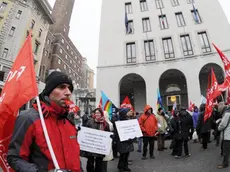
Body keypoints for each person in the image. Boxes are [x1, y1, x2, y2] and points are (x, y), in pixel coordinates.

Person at [7, 71, 81, 172]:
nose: (68, 92)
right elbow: (15, 158)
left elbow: (76, 158)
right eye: (61, 87)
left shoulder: (68, 120)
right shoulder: (28, 118)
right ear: (49, 91)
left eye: (69, 88)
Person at [84, 108, 109, 172]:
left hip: (100, 147)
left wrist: (110, 136)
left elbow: (108, 134)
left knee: (99, 163)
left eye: (98, 113)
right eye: (96, 113)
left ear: (101, 114)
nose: (97, 114)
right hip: (91, 146)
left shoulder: (105, 123)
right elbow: (85, 131)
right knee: (90, 163)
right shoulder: (90, 121)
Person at [217, 105, 230, 169]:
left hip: (227, 136)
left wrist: (218, 127)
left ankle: (225, 164)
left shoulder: (227, 114)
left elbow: (222, 125)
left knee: (226, 151)